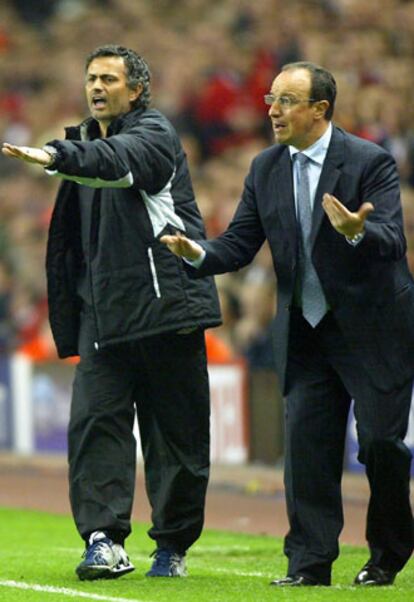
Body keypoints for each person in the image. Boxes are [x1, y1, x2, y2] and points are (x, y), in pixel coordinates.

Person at [160, 61, 414, 587]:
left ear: (320, 109)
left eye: (286, 101)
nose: (272, 110)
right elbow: (239, 244)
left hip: (373, 331)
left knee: (381, 446)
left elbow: (392, 240)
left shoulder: (370, 161)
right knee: (307, 448)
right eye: (270, 100)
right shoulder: (266, 167)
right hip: (306, 330)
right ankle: (309, 564)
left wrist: (353, 232)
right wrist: (197, 253)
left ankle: (388, 554)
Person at [2, 44, 221, 580]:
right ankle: (103, 540)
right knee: (95, 425)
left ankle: (171, 546)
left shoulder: (154, 137)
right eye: (91, 78)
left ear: (136, 90)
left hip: (167, 309)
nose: (97, 87)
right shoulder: (84, 143)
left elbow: (118, 164)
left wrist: (57, 157)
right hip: (104, 312)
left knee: (177, 437)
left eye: (109, 79)